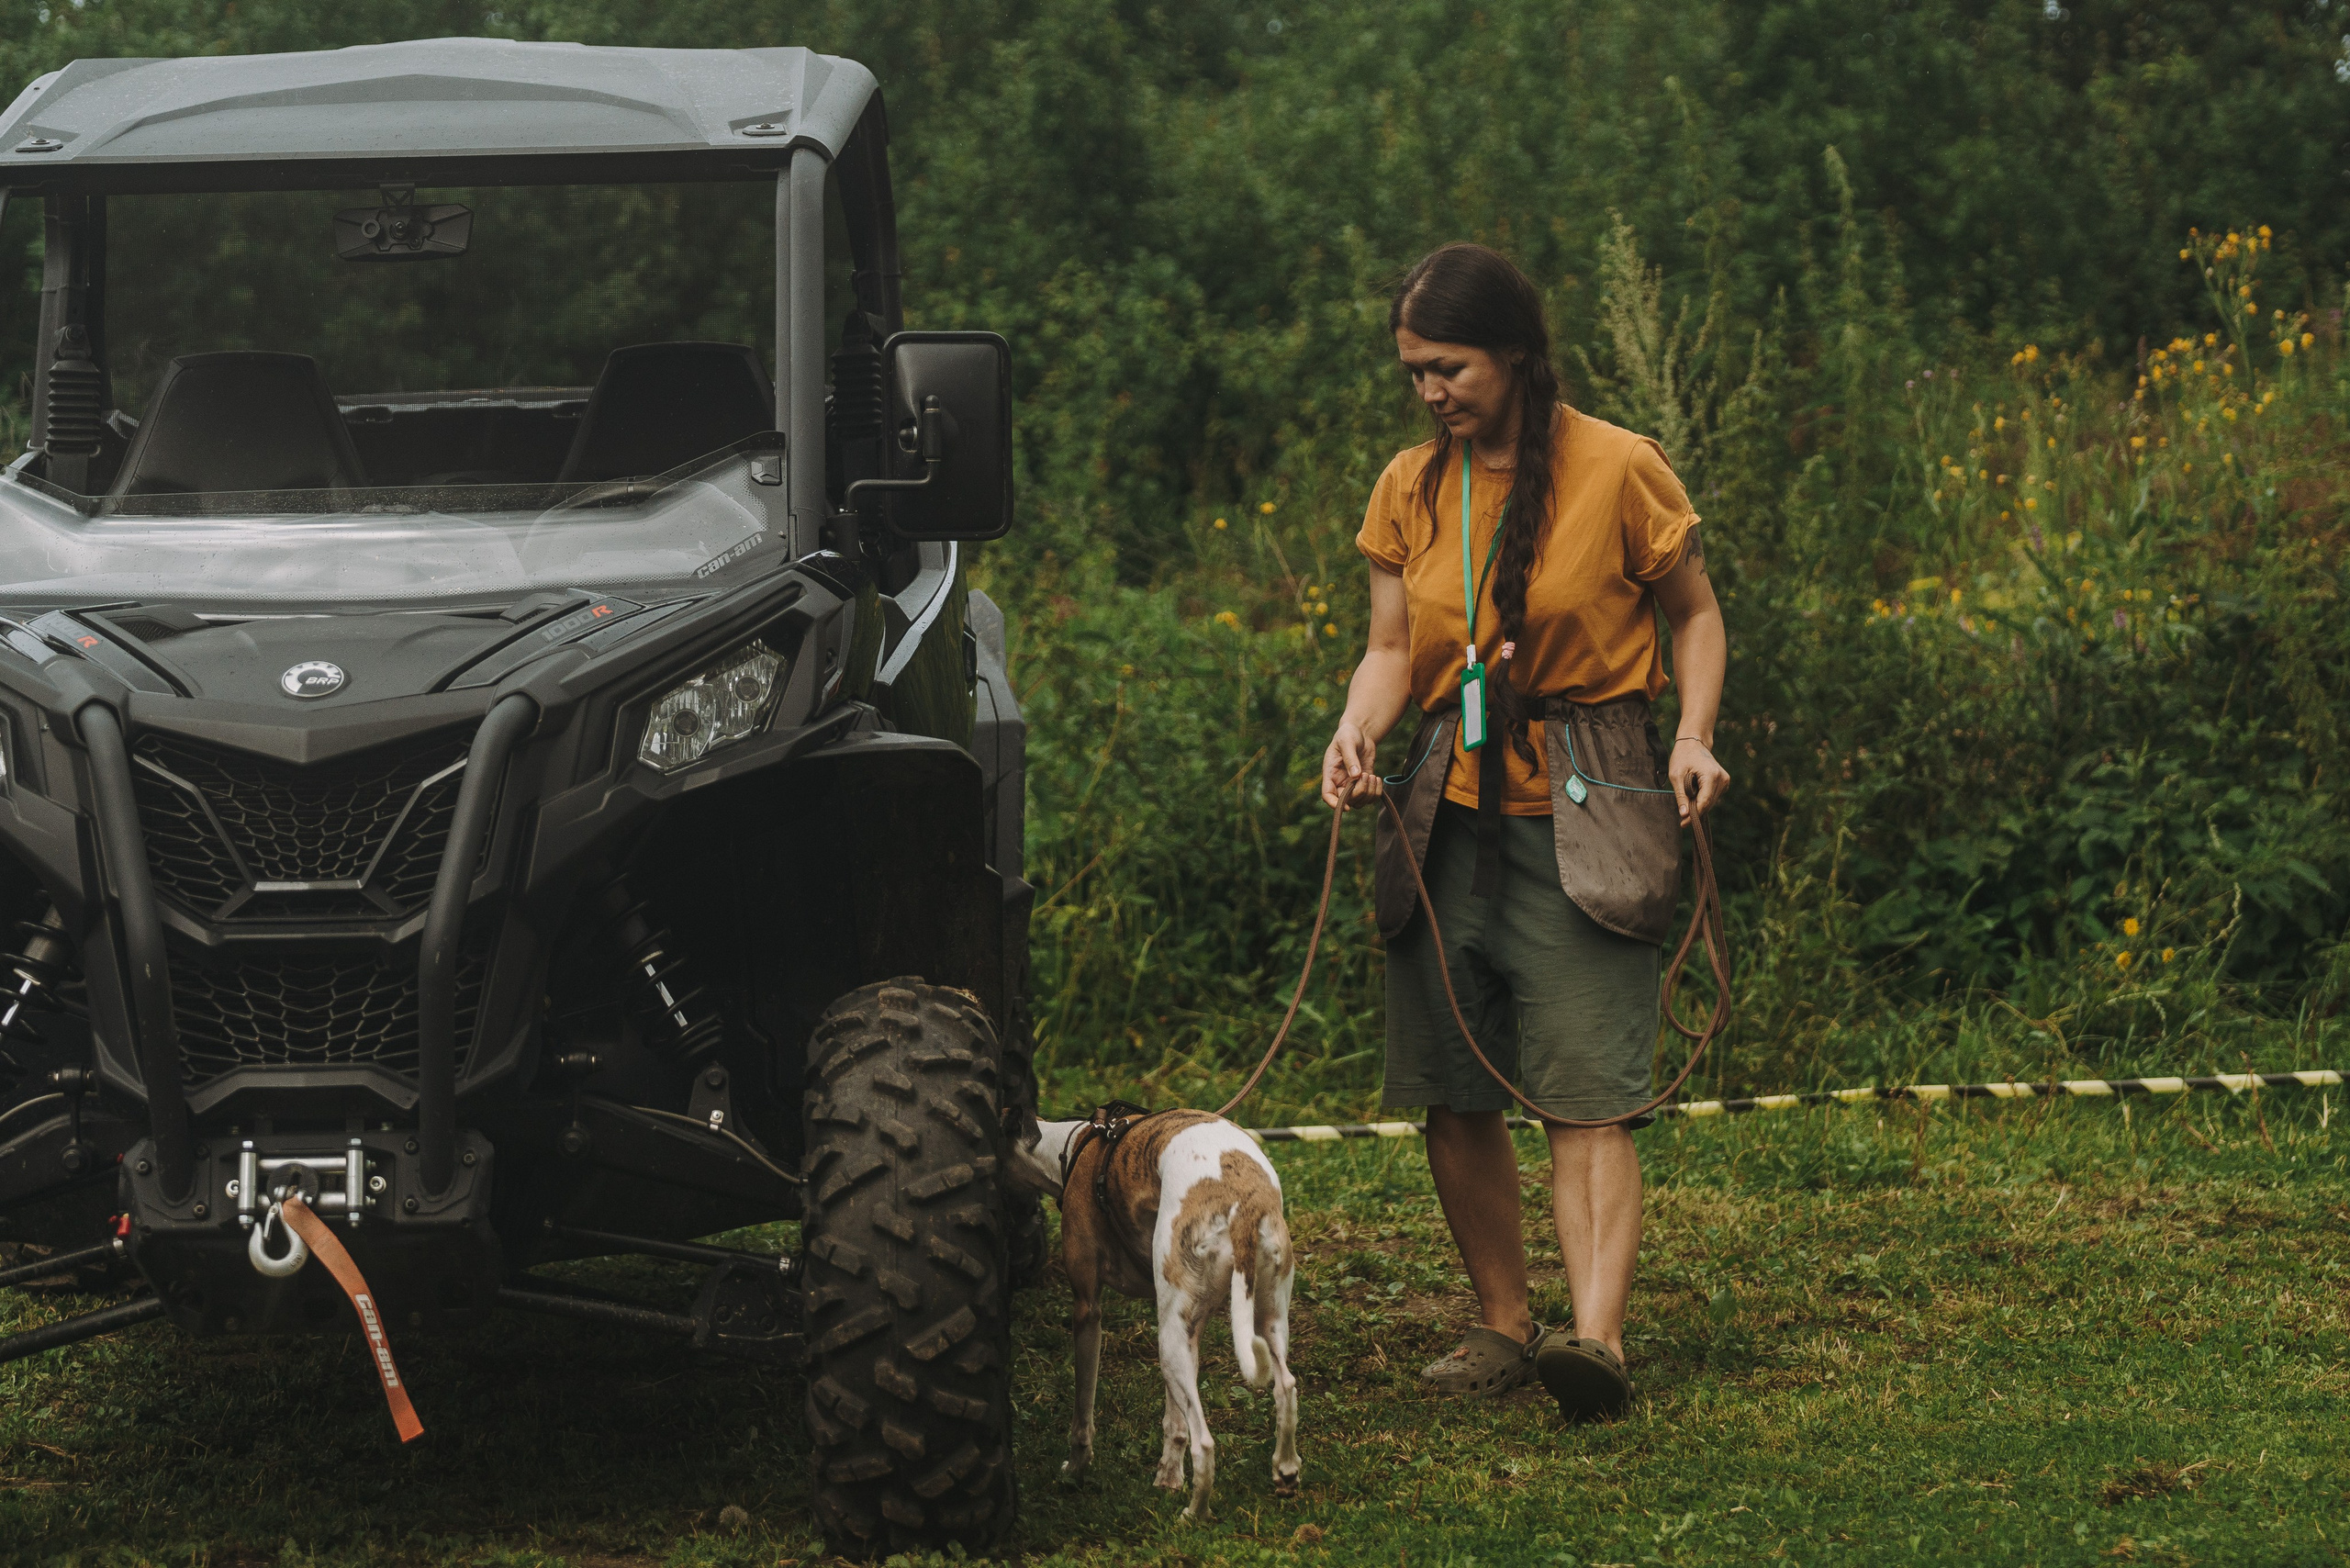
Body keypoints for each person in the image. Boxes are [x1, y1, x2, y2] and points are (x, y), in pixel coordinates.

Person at [1320, 241, 1729, 1420]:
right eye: (1411, 372)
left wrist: (1692, 735)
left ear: (1510, 351)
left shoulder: (1620, 467)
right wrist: (1355, 730)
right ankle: (1504, 1322)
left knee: (1585, 1091)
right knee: (1455, 1084)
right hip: (1445, 801)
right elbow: (1393, 651)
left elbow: (1695, 617)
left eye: (1445, 367)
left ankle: (1593, 1343)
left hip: (1589, 797)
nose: (1428, 392)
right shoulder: (1408, 483)